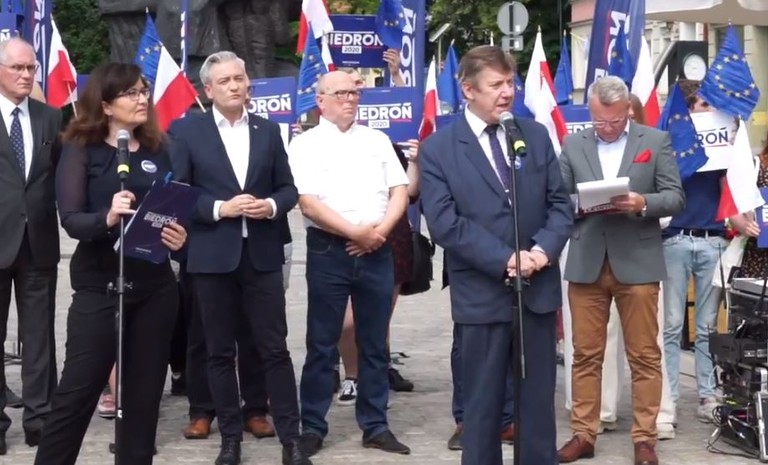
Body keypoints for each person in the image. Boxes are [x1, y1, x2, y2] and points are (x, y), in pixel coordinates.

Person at [419, 45, 573, 465]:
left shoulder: (533, 136)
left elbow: (561, 204)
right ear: (468, 90)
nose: (507, 92)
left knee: (537, 404)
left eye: (510, 82)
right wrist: (506, 259)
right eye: (496, 85)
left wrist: (540, 252)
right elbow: (445, 222)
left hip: (536, 290)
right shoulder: (439, 148)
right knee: (483, 406)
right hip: (481, 294)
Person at [33, 62, 188, 465]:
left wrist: (178, 236)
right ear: (105, 105)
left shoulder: (160, 148)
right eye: (131, 93)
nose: (141, 99)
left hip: (155, 287)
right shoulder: (80, 148)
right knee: (77, 391)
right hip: (100, 285)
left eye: (144, 91)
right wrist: (107, 217)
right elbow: (71, 220)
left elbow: (171, 207)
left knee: (143, 400)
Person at [169, 50, 309, 465]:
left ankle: (291, 440)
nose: (234, 86)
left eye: (239, 78)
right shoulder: (187, 131)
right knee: (218, 351)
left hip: (261, 254)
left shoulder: (268, 131)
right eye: (225, 81)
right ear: (208, 90)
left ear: (249, 83)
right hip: (212, 255)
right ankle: (230, 439)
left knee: (274, 348)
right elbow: (179, 192)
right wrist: (219, 209)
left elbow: (288, 189)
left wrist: (271, 205)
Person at [557, 76, 685, 465]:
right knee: (585, 354)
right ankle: (584, 433)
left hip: (638, 261)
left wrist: (642, 202)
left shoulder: (655, 141)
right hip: (587, 260)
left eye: (613, 121)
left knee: (644, 355)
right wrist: (581, 203)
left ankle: (645, 439)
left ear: (627, 110)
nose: (607, 128)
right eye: (599, 121)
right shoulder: (573, 143)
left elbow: (675, 197)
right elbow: (557, 198)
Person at [289, 70, 411, 457]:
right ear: (320, 100)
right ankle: (312, 425)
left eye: (354, 93)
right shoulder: (304, 144)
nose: (350, 99)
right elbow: (308, 203)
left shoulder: (376, 140)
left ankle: (375, 424)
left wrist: (378, 232)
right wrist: (354, 233)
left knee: (374, 343)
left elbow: (400, 191)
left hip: (377, 246)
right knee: (322, 343)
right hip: (330, 249)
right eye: (341, 93)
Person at [0, 37, 62, 454]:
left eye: (31, 68)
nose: (26, 75)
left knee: (39, 336)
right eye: (17, 68)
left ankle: (40, 418)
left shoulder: (50, 118)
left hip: (38, 242)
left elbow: (60, 175)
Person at [661, 79, 727, 427]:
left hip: (712, 238)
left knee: (706, 325)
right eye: (704, 104)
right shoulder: (672, 140)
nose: (710, 109)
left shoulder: (722, 140)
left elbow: (730, 187)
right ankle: (669, 397)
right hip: (676, 237)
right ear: (688, 110)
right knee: (672, 324)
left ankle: (707, 393)